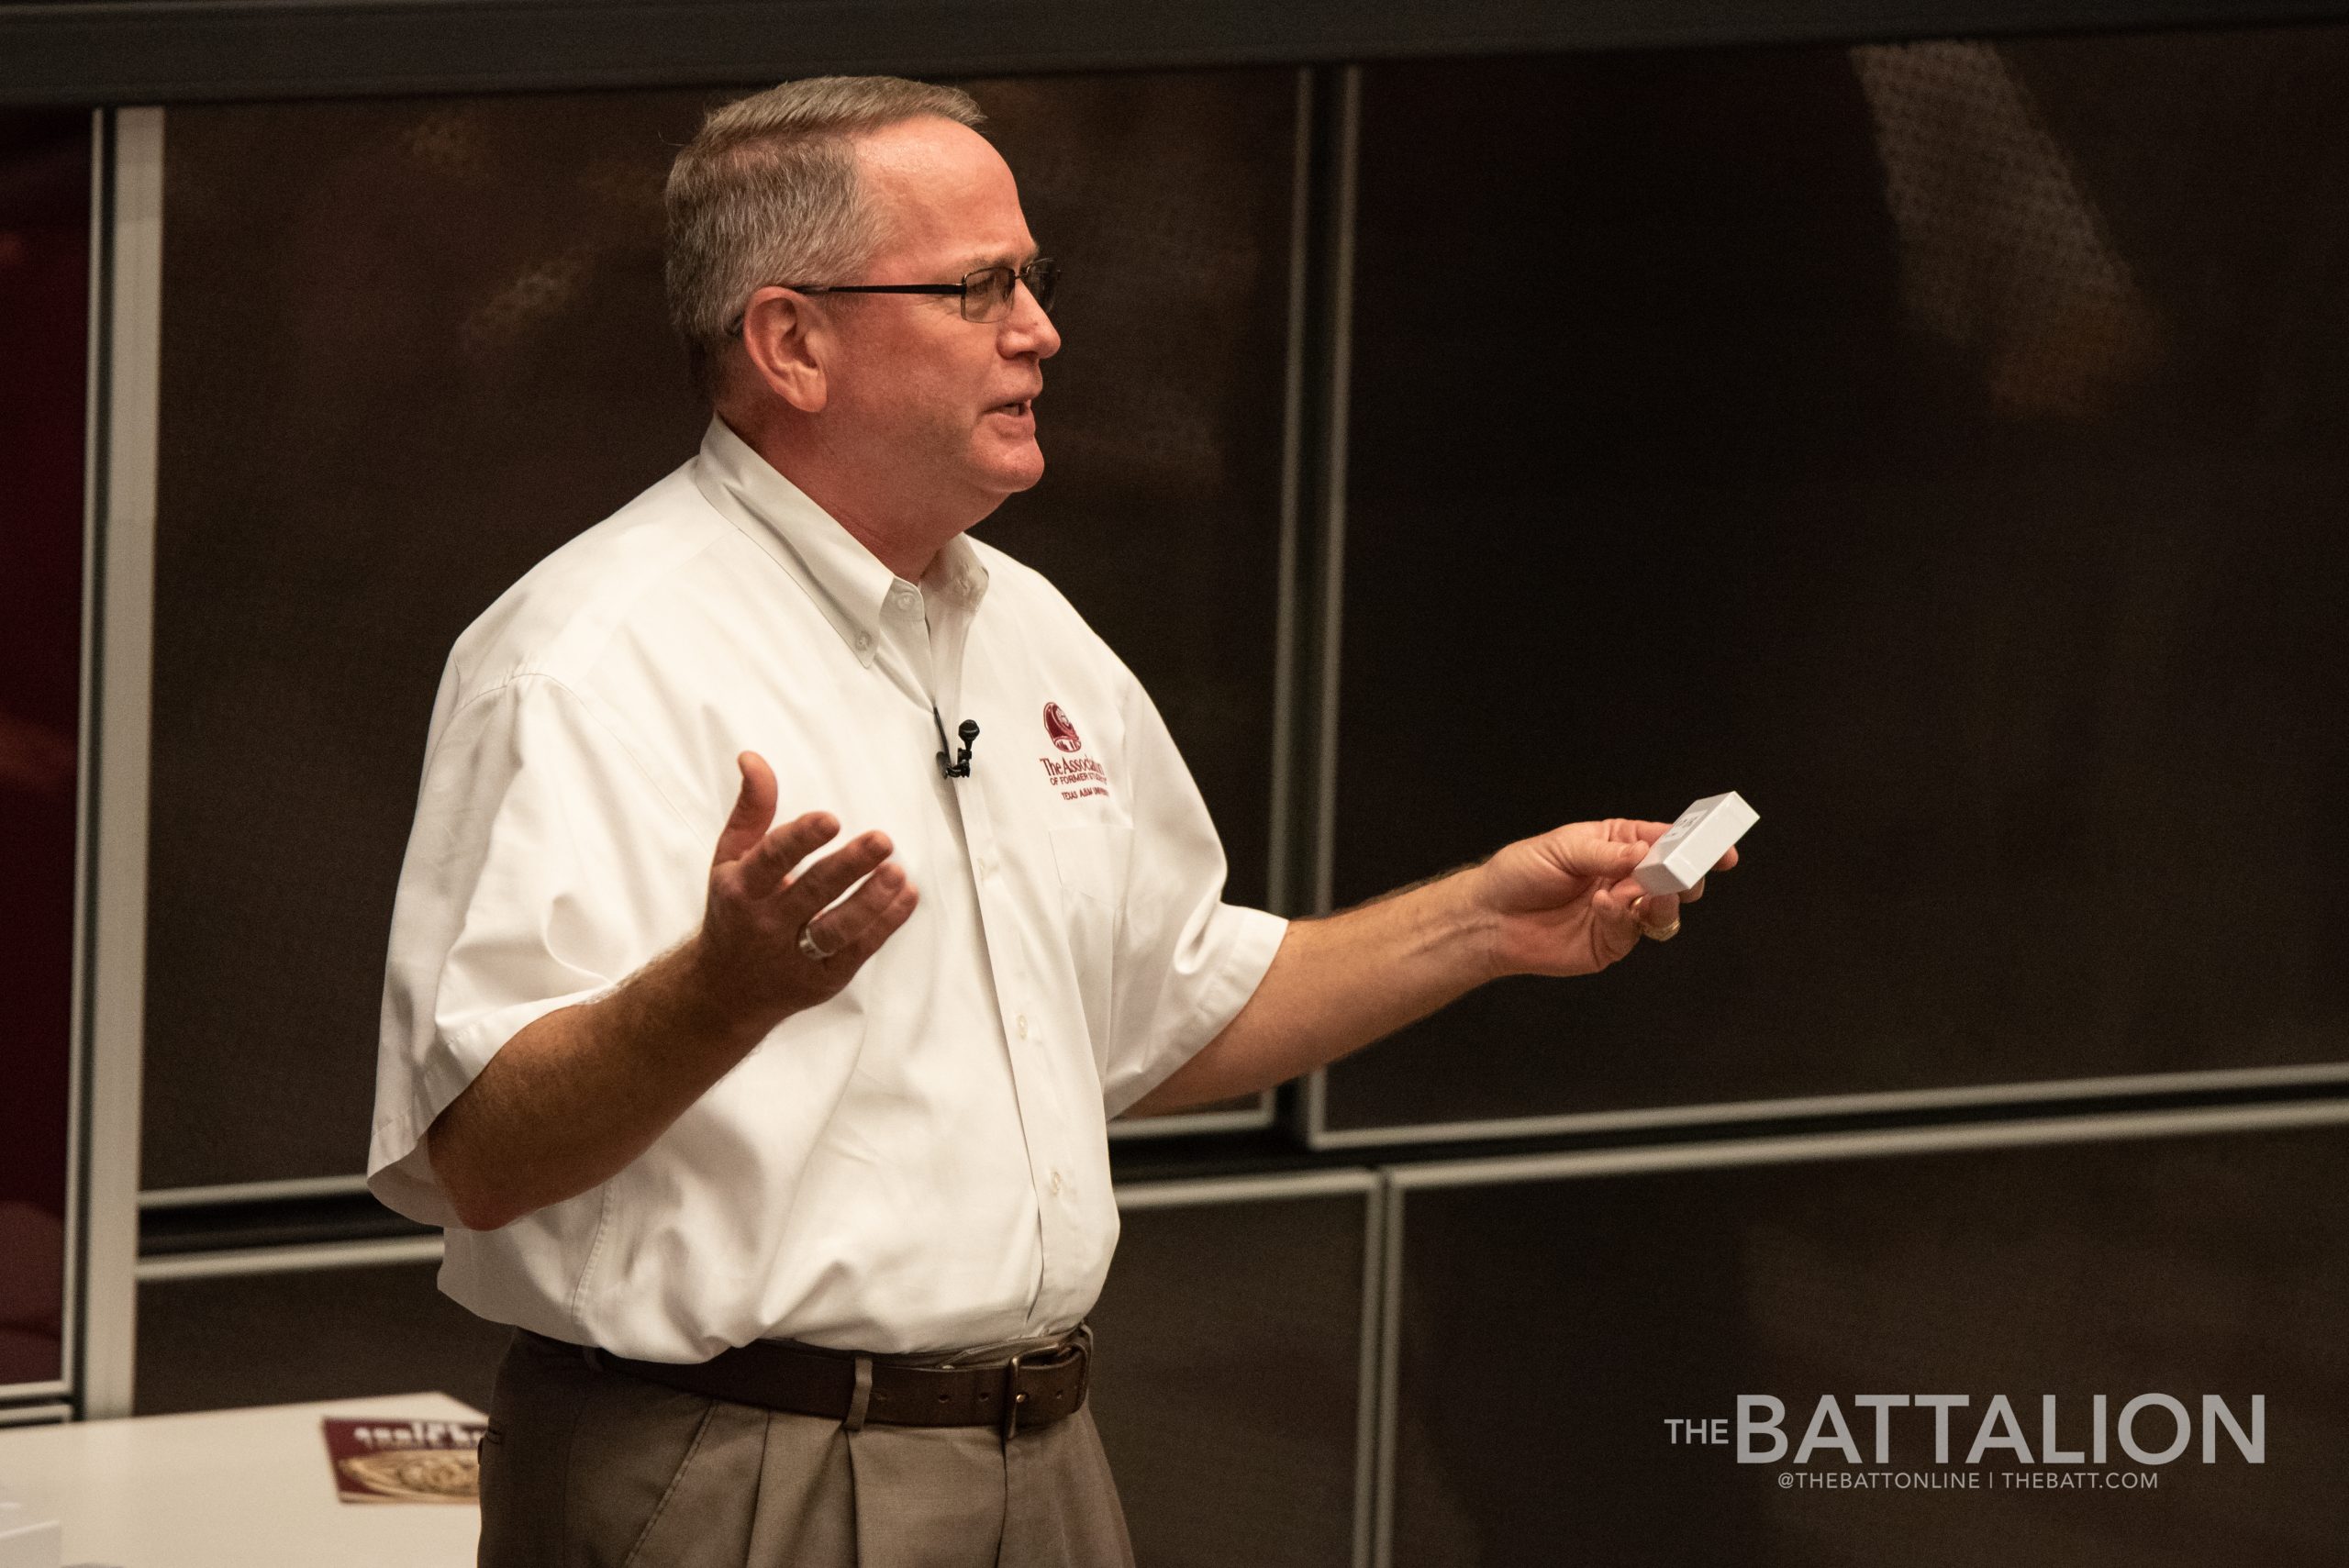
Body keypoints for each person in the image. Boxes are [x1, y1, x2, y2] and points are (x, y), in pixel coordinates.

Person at [366, 74, 1735, 1568]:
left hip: (1051, 1458)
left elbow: (1166, 1007)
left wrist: (1483, 919)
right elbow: (478, 1151)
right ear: (791, 341)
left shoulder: (1029, 630)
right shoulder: (589, 656)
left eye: (1034, 278)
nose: (1041, 330)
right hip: (737, 1469)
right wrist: (721, 992)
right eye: (977, 288)